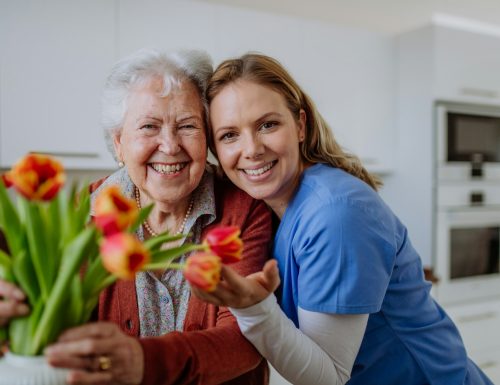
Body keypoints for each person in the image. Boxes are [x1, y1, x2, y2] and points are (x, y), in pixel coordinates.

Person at [192, 53, 494, 385]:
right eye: (229, 135)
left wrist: (253, 308)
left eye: (268, 124)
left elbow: (329, 377)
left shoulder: (335, 214)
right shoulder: (273, 207)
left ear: (300, 126)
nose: (251, 149)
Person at [0, 49, 272, 385]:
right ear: (118, 143)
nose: (170, 146)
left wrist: (144, 361)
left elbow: (248, 337)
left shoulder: (243, 210)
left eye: (187, 126)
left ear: (207, 138)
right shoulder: (79, 215)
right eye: (149, 126)